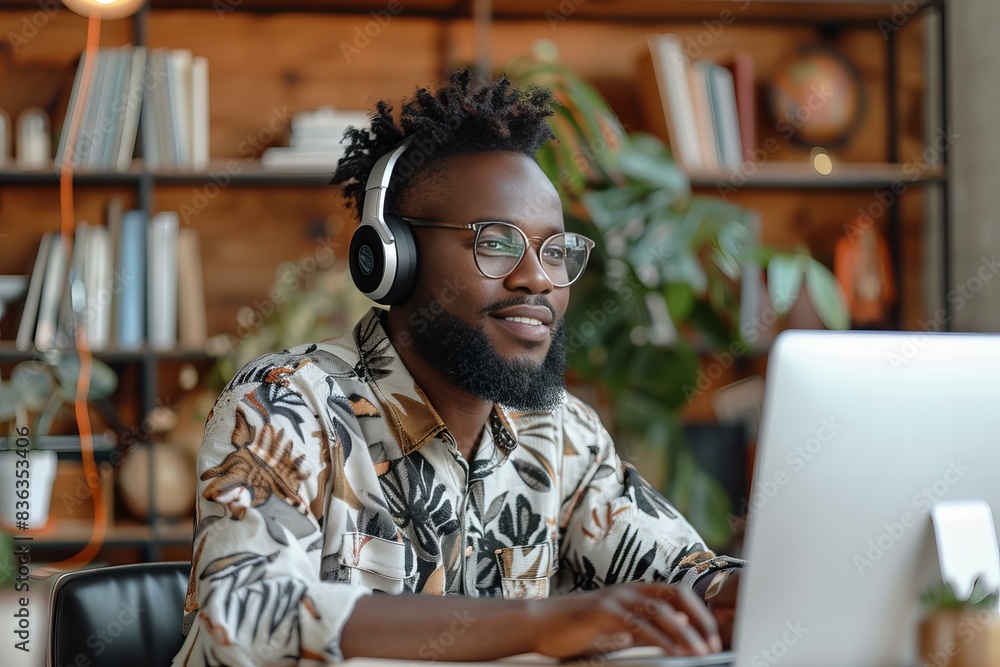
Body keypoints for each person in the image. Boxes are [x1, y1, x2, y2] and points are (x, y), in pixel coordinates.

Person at [172, 69, 742, 667]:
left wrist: (750, 591)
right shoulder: (284, 405)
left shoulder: (559, 433)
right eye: (497, 242)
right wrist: (538, 624)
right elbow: (242, 617)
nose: (538, 279)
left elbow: (688, 577)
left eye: (555, 250)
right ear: (395, 258)